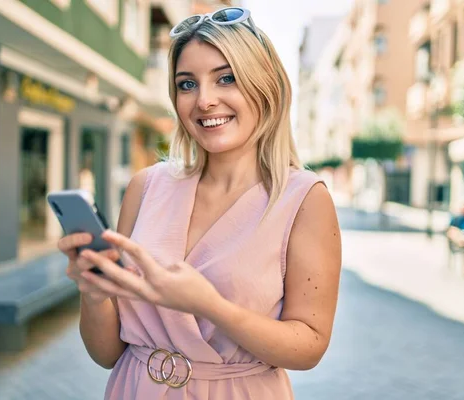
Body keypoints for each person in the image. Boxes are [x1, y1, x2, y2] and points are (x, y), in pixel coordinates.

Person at [57, 7, 342, 399]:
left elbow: (309, 345)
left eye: (226, 78)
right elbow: (106, 353)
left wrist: (210, 306)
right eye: (187, 84)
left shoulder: (304, 199)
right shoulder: (146, 187)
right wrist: (94, 292)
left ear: (265, 86)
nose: (204, 101)